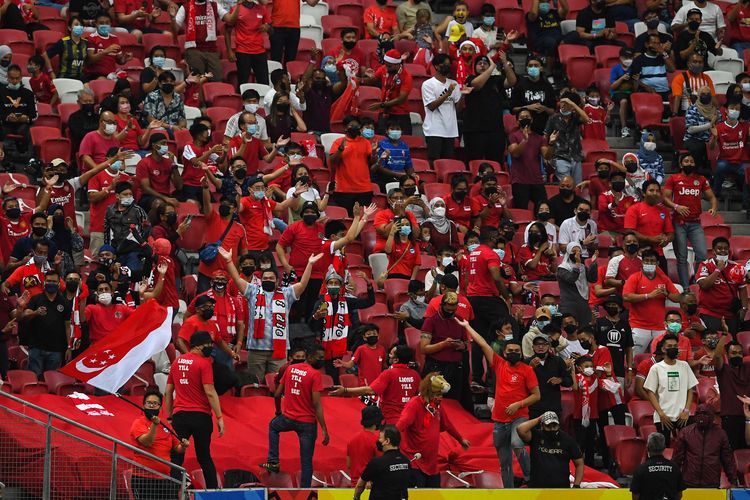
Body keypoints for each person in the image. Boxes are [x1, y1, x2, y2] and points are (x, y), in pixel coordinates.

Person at [220, 247, 322, 383]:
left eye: (271, 278)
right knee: (255, 384)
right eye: (265, 278)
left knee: (276, 385)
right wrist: (228, 261)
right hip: (256, 350)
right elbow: (236, 279)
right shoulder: (253, 291)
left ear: (277, 281)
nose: (268, 280)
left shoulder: (286, 294)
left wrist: (310, 264)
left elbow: (302, 284)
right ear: (261, 280)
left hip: (278, 352)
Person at [460, 319, 538, 488]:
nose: (514, 353)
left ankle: (530, 476)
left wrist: (518, 404)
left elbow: (536, 396)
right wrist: (467, 327)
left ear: (521, 353)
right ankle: (508, 492)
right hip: (499, 420)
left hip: (519, 417)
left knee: (517, 444)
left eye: (517, 351)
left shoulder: (527, 370)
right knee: (505, 462)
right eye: (510, 350)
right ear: (504, 353)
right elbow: (482, 343)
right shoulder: (499, 364)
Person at [261, 344, 329, 488]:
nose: (322, 360)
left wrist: (278, 412)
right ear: (310, 357)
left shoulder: (290, 369)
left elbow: (277, 394)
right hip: (307, 423)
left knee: (273, 426)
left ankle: (273, 460)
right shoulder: (315, 375)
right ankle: (305, 491)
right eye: (320, 357)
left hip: (288, 418)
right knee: (306, 462)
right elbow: (317, 404)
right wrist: (324, 428)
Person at [165, 331, 224, 490]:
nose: (210, 347)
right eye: (208, 345)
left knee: (176, 457)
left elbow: (168, 391)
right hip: (201, 417)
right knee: (204, 457)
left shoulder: (176, 362)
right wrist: (219, 417)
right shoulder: (204, 363)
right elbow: (210, 391)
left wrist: (169, 416)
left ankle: (172, 492)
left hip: (180, 416)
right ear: (198, 345)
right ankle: (212, 492)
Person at [396, 372, 470, 487]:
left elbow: (448, 425)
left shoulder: (437, 407)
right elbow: (400, 425)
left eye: (441, 395)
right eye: (437, 394)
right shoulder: (414, 404)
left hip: (432, 465)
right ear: (428, 392)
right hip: (415, 463)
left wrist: (460, 439)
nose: (441, 398)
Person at [310, 268, 376, 382]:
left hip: (342, 341)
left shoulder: (346, 301)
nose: (333, 285)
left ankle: (354, 364)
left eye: (336, 283)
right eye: (331, 283)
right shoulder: (320, 302)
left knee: (363, 331)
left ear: (341, 287)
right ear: (326, 286)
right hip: (324, 342)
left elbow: (369, 302)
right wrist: (316, 316)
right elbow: (311, 325)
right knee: (331, 373)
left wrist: (369, 284)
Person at [662, 153, 717, 288]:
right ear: (681, 164)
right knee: (682, 258)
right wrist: (676, 206)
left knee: (702, 255)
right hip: (679, 222)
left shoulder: (701, 179)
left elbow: (712, 197)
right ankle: (686, 288)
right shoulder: (674, 178)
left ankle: (695, 279)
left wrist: (713, 208)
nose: (689, 163)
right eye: (686, 161)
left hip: (695, 223)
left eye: (692, 161)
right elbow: (664, 198)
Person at [330, 345, 420, 425]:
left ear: (396, 360)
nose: (389, 355)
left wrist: (345, 390)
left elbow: (370, 390)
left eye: (391, 354)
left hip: (391, 419)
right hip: (409, 419)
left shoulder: (389, 373)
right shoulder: (416, 375)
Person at [466, 226, 511, 384]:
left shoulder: (473, 253)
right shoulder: (490, 254)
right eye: (497, 236)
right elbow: (497, 277)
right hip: (488, 299)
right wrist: (507, 297)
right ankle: (507, 369)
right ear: (492, 237)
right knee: (508, 329)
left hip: (473, 298)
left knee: (479, 339)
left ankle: (477, 378)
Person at [130, 389, 189, 499]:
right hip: (143, 478)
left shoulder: (166, 424)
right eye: (149, 403)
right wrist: (154, 425)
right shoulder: (138, 423)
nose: (152, 406)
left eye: (155, 403)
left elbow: (177, 448)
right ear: (143, 405)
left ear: (160, 407)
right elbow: (148, 442)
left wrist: (184, 446)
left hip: (164, 478)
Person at [644, 333, 699, 446]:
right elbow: (650, 392)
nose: (673, 349)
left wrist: (686, 411)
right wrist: (661, 414)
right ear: (663, 349)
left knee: (688, 448)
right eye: (669, 346)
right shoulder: (656, 368)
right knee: (665, 448)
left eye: (675, 346)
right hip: (663, 416)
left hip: (682, 416)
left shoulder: (684, 365)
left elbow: (690, 390)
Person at [623, 250, 681, 354]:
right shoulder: (635, 277)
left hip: (659, 327)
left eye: (652, 261)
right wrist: (648, 296)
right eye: (646, 261)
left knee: (662, 357)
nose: (649, 263)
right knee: (633, 357)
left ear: (657, 263)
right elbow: (626, 296)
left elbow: (678, 298)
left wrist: (666, 293)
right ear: (642, 262)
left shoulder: (664, 279)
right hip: (638, 326)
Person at [17, 270, 70, 376]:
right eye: (49, 281)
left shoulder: (64, 302)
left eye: (54, 281)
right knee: (34, 379)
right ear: (44, 282)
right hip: (36, 347)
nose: (51, 283)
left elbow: (67, 326)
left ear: (59, 283)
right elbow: (23, 317)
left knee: (52, 381)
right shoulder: (36, 299)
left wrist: (69, 347)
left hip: (56, 349)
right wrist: (36, 313)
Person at [463, 55, 515, 163]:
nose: (482, 66)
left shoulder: (496, 80)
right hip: (474, 130)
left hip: (495, 130)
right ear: (475, 66)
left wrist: (505, 63)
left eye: (485, 63)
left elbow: (512, 82)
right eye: (479, 64)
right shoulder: (470, 78)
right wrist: (491, 68)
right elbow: (477, 85)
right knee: (474, 161)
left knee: (495, 161)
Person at [673, 403, 737, 487]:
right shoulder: (686, 432)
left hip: (711, 483)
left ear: (712, 416)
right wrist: (672, 480)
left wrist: (733, 481)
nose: (701, 416)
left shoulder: (720, 434)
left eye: (705, 414)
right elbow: (677, 458)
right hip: (689, 483)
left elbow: (727, 460)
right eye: (698, 414)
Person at [517, 411, 584, 488]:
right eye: (548, 426)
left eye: (554, 426)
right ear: (542, 425)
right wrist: (539, 419)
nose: (552, 429)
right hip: (537, 488)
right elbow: (520, 429)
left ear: (558, 425)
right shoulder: (536, 436)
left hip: (561, 488)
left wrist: (576, 485)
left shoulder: (567, 440)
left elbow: (579, 463)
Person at [695, 237, 747, 335]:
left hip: (731, 314)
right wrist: (718, 269)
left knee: (731, 344)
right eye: (719, 248)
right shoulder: (705, 265)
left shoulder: (736, 267)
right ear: (714, 251)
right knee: (714, 341)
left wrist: (744, 308)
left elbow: (742, 289)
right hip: (710, 313)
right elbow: (704, 285)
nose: (723, 251)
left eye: (725, 248)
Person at [422, 54, 466, 163]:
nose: (448, 67)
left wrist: (463, 95)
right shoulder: (428, 84)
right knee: (434, 162)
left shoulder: (453, 83)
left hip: (450, 131)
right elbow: (431, 106)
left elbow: (457, 109)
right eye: (445, 64)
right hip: (434, 130)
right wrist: (447, 93)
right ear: (437, 66)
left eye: (449, 65)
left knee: (448, 163)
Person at [329, 116, 376, 215]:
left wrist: (374, 153)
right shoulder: (338, 142)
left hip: (364, 188)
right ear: (346, 128)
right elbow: (332, 161)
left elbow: (371, 162)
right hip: (344, 189)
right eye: (351, 125)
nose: (354, 127)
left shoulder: (365, 142)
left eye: (356, 125)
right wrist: (340, 150)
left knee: (363, 219)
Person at [624, 180, 674, 270]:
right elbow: (629, 231)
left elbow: (671, 234)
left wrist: (666, 239)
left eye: (657, 191)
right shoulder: (634, 209)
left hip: (658, 254)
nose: (655, 193)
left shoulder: (664, 211)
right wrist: (650, 239)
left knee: (662, 282)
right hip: (639, 253)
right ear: (643, 193)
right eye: (651, 190)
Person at [713, 333, 750, 450]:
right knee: (731, 452)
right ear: (727, 355)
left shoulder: (747, 368)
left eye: (739, 353)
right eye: (733, 353)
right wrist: (724, 335)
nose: (737, 355)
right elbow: (717, 356)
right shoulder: (723, 370)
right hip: (730, 417)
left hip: (748, 415)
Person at [353, 425, 410, 500]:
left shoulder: (377, 462)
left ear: (387, 441)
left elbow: (360, 485)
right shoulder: (406, 461)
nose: (378, 440)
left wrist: (356, 497)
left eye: (380, 438)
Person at [508, 109, 549, 212]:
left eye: (527, 117)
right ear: (517, 121)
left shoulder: (540, 138)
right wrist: (524, 140)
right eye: (522, 117)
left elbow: (547, 156)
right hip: (520, 180)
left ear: (531, 120)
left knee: (542, 210)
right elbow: (515, 153)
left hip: (537, 180)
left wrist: (552, 144)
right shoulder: (513, 136)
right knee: (521, 211)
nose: (525, 119)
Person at [545, 94, 589, 184]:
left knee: (577, 186)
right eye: (562, 103)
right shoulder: (553, 118)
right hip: (560, 157)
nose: (563, 105)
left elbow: (586, 119)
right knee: (567, 185)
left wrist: (573, 104)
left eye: (566, 103)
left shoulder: (575, 117)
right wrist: (546, 153)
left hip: (576, 157)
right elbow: (545, 136)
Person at [526, 335, 573, 419]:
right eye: (537, 344)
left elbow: (569, 381)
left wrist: (560, 380)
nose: (540, 346)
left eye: (544, 344)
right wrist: (530, 368)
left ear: (549, 346)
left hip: (553, 406)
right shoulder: (527, 362)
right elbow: (521, 384)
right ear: (533, 347)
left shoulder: (557, 360)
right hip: (534, 407)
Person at [713, 97, 750, 201]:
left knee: (747, 171)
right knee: (720, 166)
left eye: (737, 109)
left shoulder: (745, 126)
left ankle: (745, 202)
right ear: (726, 110)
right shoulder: (719, 127)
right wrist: (715, 137)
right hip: (725, 160)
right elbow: (711, 147)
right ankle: (716, 193)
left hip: (741, 161)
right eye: (732, 108)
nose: (735, 110)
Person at [226, 0, 270, 86]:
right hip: (243, 51)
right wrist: (229, 51)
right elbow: (227, 31)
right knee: (243, 83)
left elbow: (271, 30)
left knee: (264, 83)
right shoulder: (235, 9)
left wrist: (267, 27)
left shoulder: (262, 9)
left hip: (260, 51)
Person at [631, 432, 685, 500]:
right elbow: (679, 494)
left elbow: (635, 496)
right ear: (664, 448)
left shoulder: (641, 469)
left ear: (647, 448)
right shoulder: (674, 467)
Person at [557, 242, 598, 326]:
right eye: (574, 251)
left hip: (583, 303)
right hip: (568, 304)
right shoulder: (562, 268)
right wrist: (577, 264)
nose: (577, 254)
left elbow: (592, 279)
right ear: (568, 252)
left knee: (585, 329)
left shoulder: (582, 267)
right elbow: (571, 279)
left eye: (579, 251)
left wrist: (593, 263)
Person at [630, 34, 675, 99]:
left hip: (665, 91)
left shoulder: (663, 58)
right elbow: (634, 79)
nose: (656, 46)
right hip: (647, 91)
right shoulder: (639, 59)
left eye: (658, 43)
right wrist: (646, 87)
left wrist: (663, 53)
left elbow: (672, 69)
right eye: (654, 43)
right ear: (646, 44)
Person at [43, 17, 88, 81]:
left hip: (80, 78)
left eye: (81, 25)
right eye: (76, 24)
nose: (79, 27)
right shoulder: (63, 42)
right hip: (65, 77)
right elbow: (45, 55)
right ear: (69, 28)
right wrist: (51, 72)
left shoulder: (86, 43)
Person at [347, 406, 382, 486]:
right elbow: (380, 466)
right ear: (376, 422)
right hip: (371, 486)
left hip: (354, 486)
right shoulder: (377, 441)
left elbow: (349, 464)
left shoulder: (351, 440)